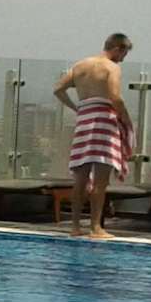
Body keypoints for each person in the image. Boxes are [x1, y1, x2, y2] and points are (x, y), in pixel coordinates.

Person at [53, 32, 134, 239]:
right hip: (104, 121)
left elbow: (58, 89)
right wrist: (126, 119)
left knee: (80, 178)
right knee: (101, 180)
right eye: (124, 54)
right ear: (117, 48)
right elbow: (115, 97)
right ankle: (96, 227)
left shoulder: (80, 66)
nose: (123, 59)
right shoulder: (112, 67)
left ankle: (75, 226)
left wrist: (76, 107)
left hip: (84, 120)